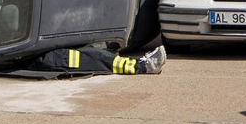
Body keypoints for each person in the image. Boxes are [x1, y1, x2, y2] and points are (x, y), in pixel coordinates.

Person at [29, 43, 167, 75]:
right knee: (91, 57)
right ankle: (143, 66)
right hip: (32, 57)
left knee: (95, 51)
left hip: (32, 53)